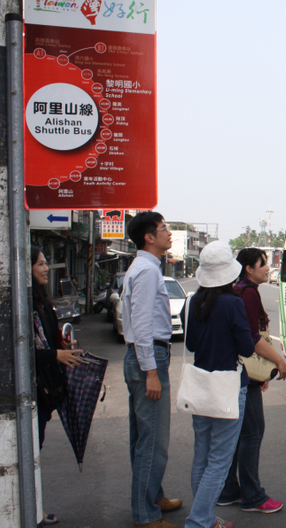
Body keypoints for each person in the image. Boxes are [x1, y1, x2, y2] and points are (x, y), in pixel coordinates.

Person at [182, 241, 255, 528]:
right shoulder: (234, 303)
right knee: (219, 461)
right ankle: (199, 521)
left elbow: (189, 343)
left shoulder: (191, 302)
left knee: (202, 455)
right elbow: (247, 349)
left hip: (200, 385)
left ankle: (206, 518)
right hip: (228, 387)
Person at [121, 212, 182, 528]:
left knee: (143, 438)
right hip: (148, 359)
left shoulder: (145, 267)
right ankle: (145, 515)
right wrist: (151, 372)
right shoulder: (146, 271)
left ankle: (153, 496)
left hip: (143, 358)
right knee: (153, 441)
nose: (169, 233)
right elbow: (142, 325)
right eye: (164, 229)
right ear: (149, 236)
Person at [217, 248, 286, 514]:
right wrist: (279, 362)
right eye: (263, 264)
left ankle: (228, 490)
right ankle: (252, 495)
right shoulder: (247, 293)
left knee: (240, 435)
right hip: (242, 375)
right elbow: (251, 338)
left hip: (238, 372)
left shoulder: (236, 290)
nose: (268, 268)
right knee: (252, 433)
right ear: (249, 268)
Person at [31, 246, 83, 526]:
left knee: (34, 450)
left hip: (46, 388)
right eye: (39, 264)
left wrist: (63, 347)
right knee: (29, 451)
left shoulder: (42, 302)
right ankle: (30, 509)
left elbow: (49, 342)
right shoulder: (22, 303)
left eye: (44, 264)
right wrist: (55, 355)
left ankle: (33, 507)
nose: (43, 269)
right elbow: (21, 350)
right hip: (32, 390)